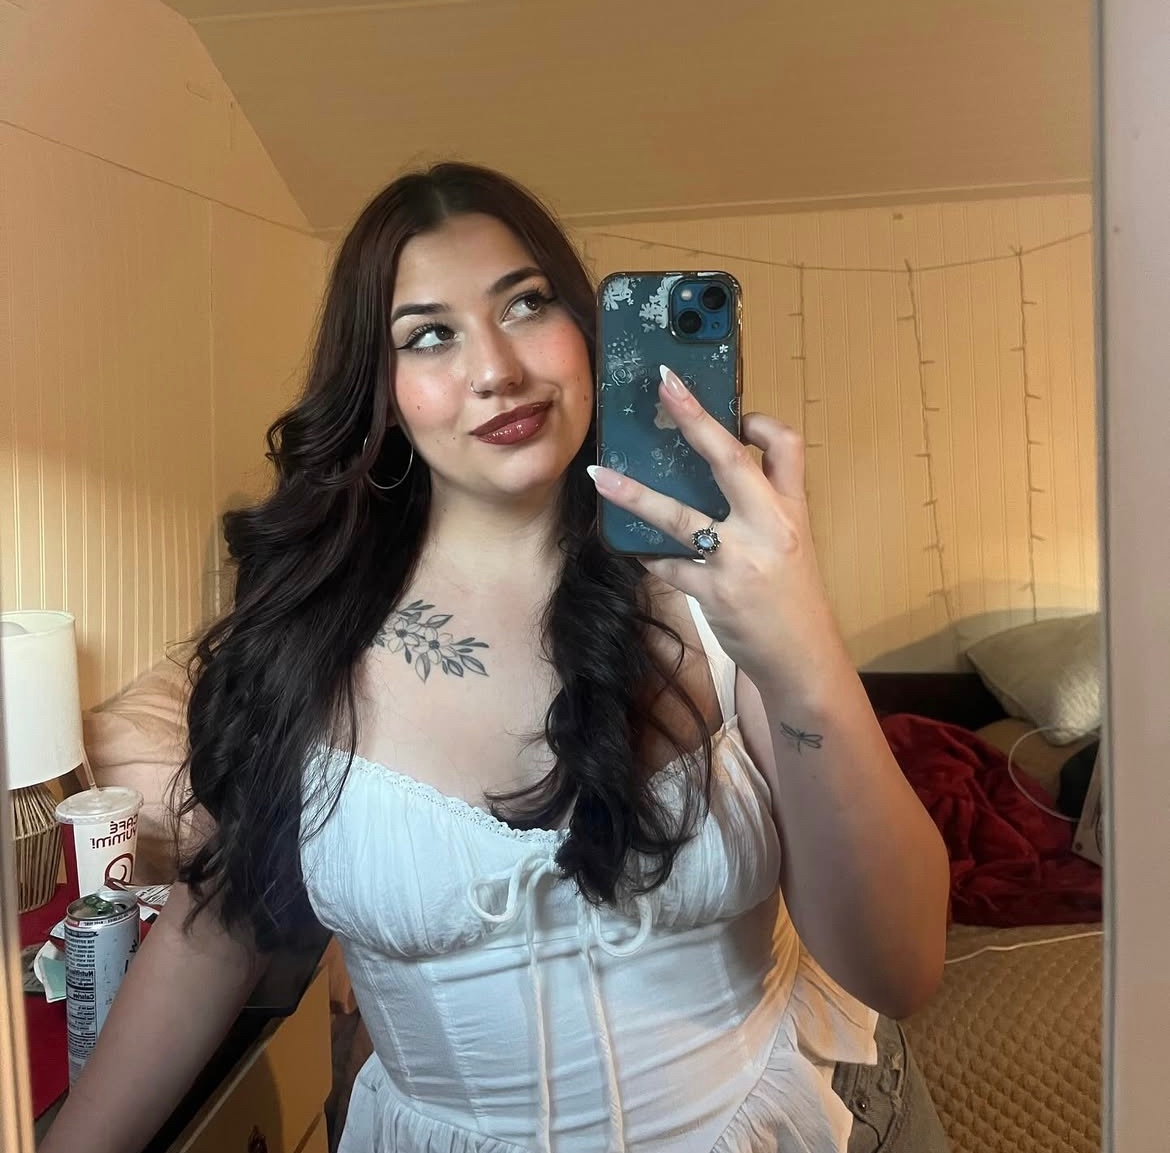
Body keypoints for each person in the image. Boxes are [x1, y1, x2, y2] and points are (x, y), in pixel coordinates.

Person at [41, 162, 952, 1153]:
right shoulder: (305, 639)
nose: (497, 369)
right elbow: (213, 929)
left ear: (587, 331)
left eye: (525, 304)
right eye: (429, 334)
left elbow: (900, 968)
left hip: (789, 1118)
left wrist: (801, 645)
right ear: (382, 389)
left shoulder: (719, 589)